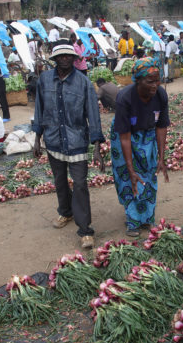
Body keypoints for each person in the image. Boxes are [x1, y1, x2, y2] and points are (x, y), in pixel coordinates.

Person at [32, 41, 105, 248]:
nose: (65, 59)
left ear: (74, 58)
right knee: (59, 180)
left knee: (80, 184)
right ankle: (65, 212)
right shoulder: (44, 80)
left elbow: (93, 115)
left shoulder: (83, 83)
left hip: (76, 141)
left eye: (68, 56)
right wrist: (37, 138)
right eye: (60, 56)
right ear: (54, 59)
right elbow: (39, 108)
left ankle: (85, 230)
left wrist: (97, 147)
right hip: (54, 139)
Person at [110, 57, 170, 237]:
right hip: (124, 136)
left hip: (148, 134)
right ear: (138, 80)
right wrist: (130, 167)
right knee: (129, 178)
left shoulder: (160, 95)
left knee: (149, 174)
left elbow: (161, 127)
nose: (155, 85)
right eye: (149, 81)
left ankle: (148, 217)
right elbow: (125, 137)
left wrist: (161, 157)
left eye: (157, 80)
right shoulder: (125, 97)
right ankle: (133, 220)